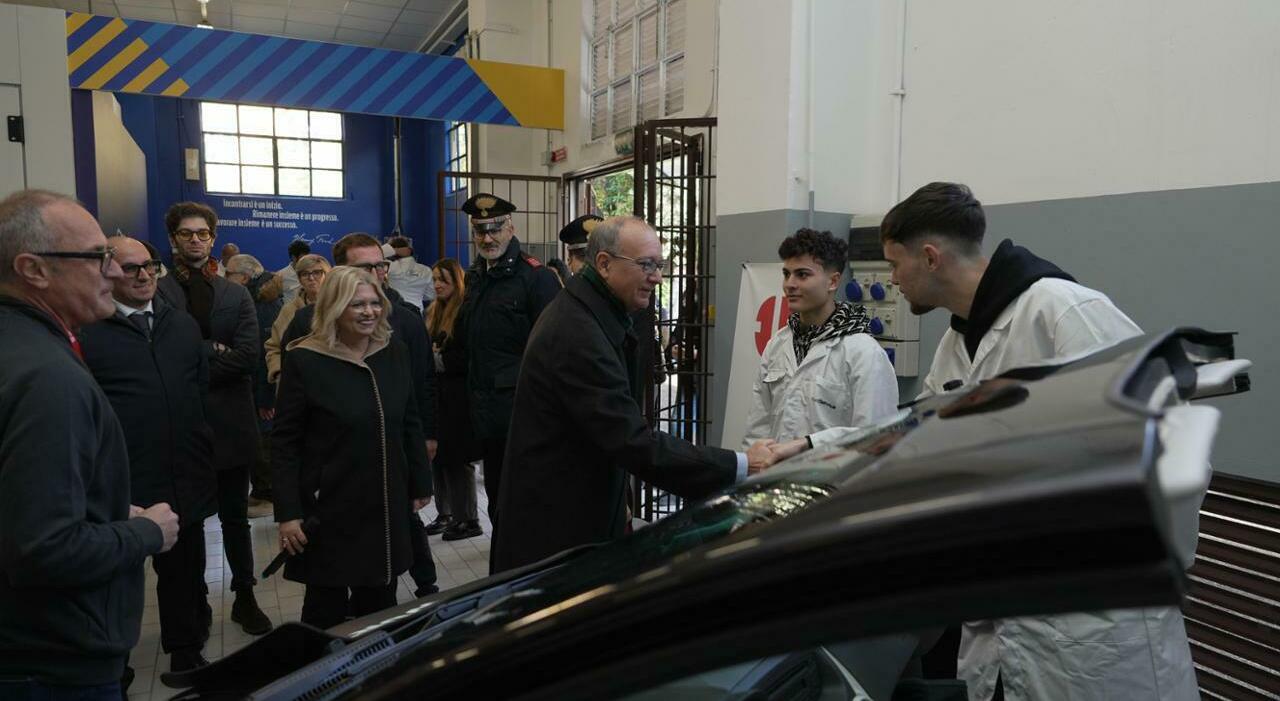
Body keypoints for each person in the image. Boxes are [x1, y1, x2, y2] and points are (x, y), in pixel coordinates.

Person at [781, 183, 1189, 701]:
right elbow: (913, 435)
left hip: (1088, 623)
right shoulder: (956, 345)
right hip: (1002, 619)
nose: (892, 280)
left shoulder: (1064, 313)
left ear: (929, 257)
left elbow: (1163, 443)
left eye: (894, 265)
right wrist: (815, 448)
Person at [492, 216, 776, 573]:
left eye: (659, 265)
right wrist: (742, 464)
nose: (656, 277)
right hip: (556, 536)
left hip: (572, 516)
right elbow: (631, 439)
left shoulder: (593, 312)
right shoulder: (577, 333)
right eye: (646, 265)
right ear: (605, 264)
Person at [0, 190, 179, 696]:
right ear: (33, 269)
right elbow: (42, 550)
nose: (116, 273)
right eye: (97, 257)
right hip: (49, 662)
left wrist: (96, 503)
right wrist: (146, 532)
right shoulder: (47, 377)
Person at [80, 235, 218, 673]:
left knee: (185, 570)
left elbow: (199, 387)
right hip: (123, 476)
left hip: (184, 470)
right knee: (117, 571)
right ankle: (115, 663)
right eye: (130, 267)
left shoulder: (181, 325)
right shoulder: (89, 331)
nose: (143, 275)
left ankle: (185, 648)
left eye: (150, 265)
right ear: (107, 271)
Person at [271, 266, 432, 629]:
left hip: (383, 503)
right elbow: (284, 443)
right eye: (356, 304)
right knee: (324, 609)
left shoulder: (393, 352)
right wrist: (288, 512)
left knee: (378, 607)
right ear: (333, 308)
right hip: (328, 505)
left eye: (375, 303)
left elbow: (409, 420)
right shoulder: (305, 359)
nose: (369, 311)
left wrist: (421, 482)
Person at [156, 201, 273, 636]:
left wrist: (195, 358)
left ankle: (245, 595)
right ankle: (197, 603)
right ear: (173, 240)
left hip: (230, 423)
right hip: (180, 426)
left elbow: (246, 358)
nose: (195, 240)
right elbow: (160, 357)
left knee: (234, 518)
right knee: (187, 525)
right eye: (186, 233)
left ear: (213, 238)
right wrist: (212, 351)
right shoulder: (158, 292)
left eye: (202, 233)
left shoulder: (236, 294)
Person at [457, 193, 562, 529]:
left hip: (524, 415)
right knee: (499, 502)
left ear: (511, 227)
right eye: (480, 231)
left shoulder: (536, 278)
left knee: (525, 505)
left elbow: (556, 351)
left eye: (495, 229)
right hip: (487, 414)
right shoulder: (476, 276)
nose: (488, 238)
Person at [741, 228, 898, 450]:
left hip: (835, 481)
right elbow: (758, 427)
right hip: (776, 479)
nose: (790, 284)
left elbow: (875, 437)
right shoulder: (778, 343)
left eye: (802, 275)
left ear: (832, 282)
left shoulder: (863, 353)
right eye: (786, 274)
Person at [424, 258, 482, 541]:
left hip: (459, 397)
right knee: (439, 457)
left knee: (458, 459)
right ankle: (446, 513)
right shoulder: (434, 310)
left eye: (443, 280)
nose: (437, 285)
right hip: (438, 395)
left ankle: (468, 518)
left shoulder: (465, 312)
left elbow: (468, 357)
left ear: (456, 281)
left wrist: (437, 358)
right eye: (434, 279)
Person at [226, 254, 284, 514]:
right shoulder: (262, 298)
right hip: (258, 388)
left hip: (262, 389)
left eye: (230, 274)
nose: (226, 279)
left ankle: (267, 493)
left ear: (245, 277)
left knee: (264, 440)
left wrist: (266, 398)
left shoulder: (262, 305)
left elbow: (264, 355)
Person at [266, 253, 330, 385]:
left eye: (317, 272)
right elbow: (273, 347)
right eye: (305, 274)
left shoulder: (339, 307)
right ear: (299, 279)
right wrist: (279, 373)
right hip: (296, 384)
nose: (311, 278)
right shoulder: (289, 310)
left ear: (327, 275)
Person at [383, 235, 435, 313]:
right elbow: (431, 295)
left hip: (394, 311)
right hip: (417, 312)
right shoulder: (426, 270)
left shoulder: (390, 267)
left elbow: (375, 253)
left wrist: (394, 250)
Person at [278, 239, 311, 305]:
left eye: (307, 257)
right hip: (291, 313)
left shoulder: (312, 273)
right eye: (303, 258)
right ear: (293, 257)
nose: (306, 260)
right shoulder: (280, 276)